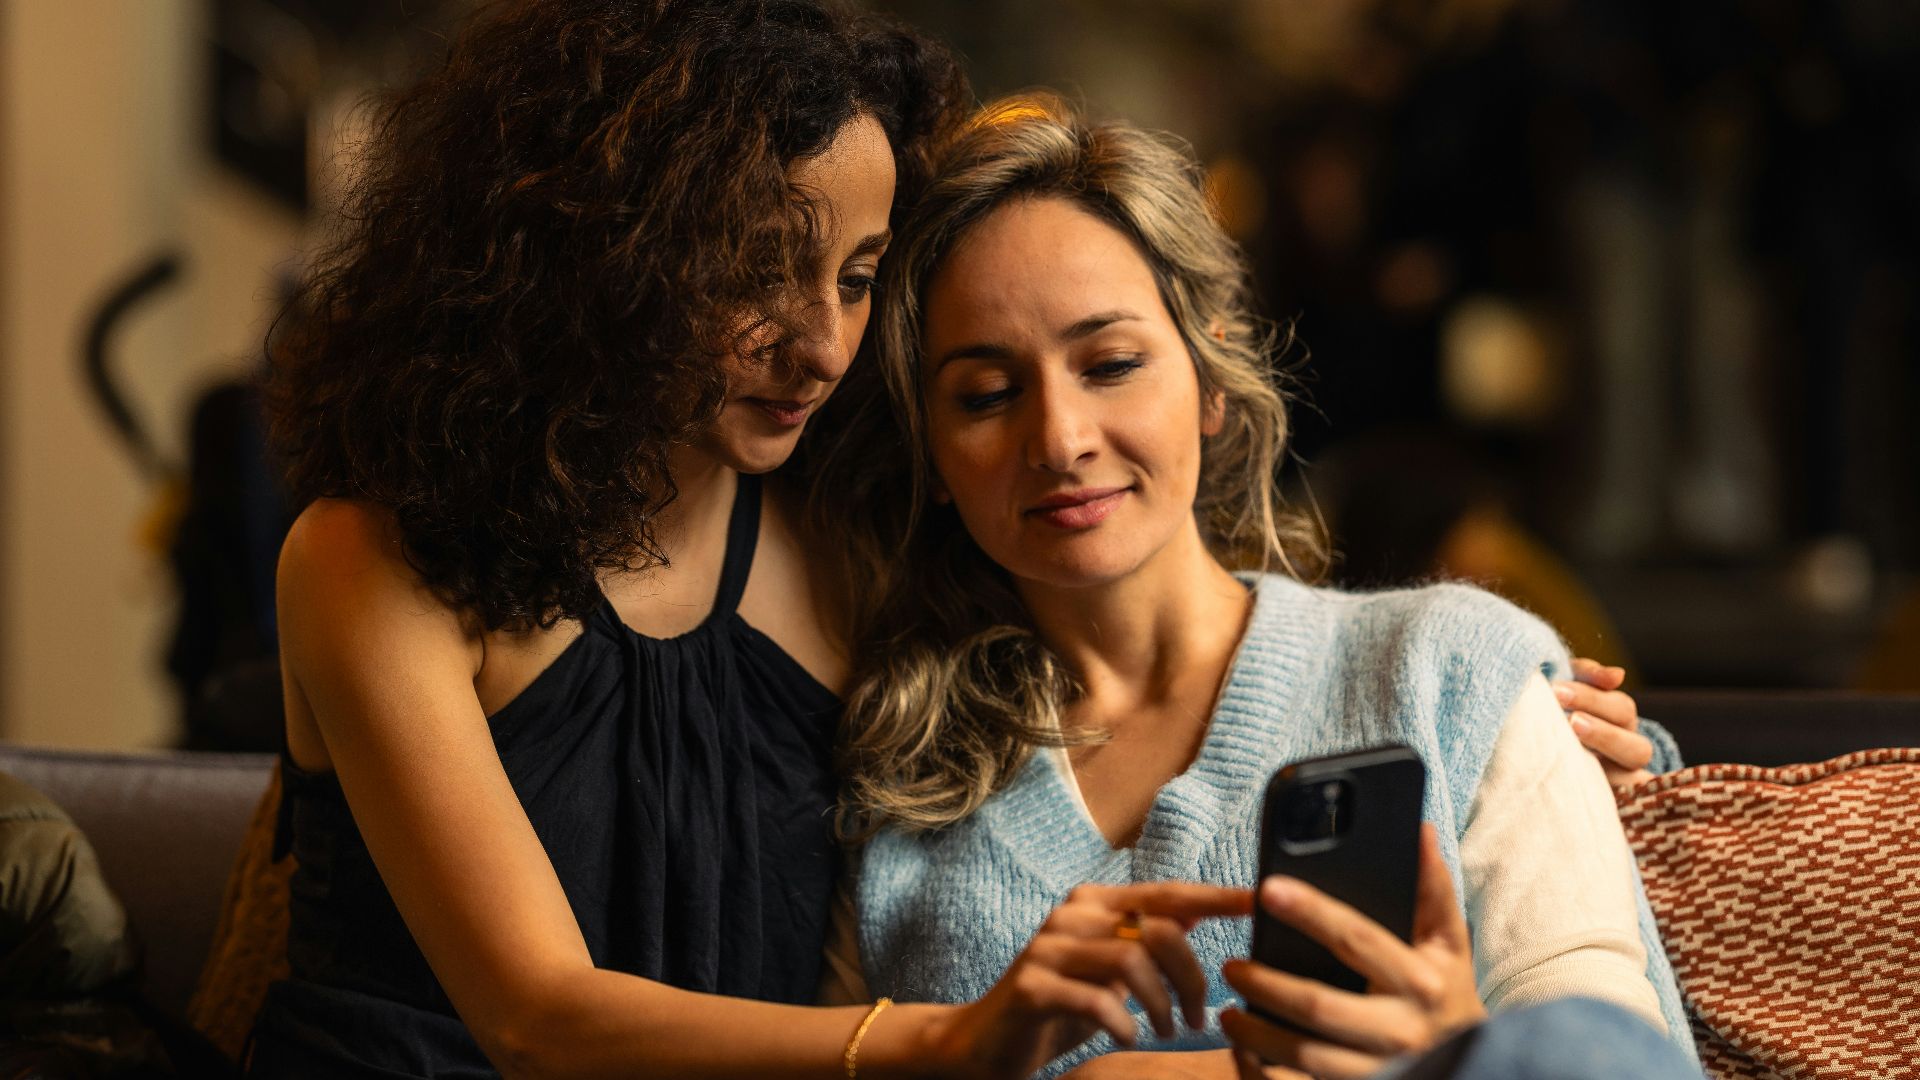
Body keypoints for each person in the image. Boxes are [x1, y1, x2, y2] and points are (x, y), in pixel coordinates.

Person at [250, 3, 1273, 1076]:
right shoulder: (366, 560)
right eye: (758, 270)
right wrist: (947, 1044)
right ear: (602, 251)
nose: (823, 346)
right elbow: (536, 1020)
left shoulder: (845, 548)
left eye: (858, 278)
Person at [813, 94, 1697, 1078]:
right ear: (931, 450)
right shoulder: (906, 780)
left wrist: (1440, 1052)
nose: (1059, 440)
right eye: (987, 395)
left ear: (1213, 378)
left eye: (1110, 364)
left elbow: (1604, 1055)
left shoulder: (1450, 667)